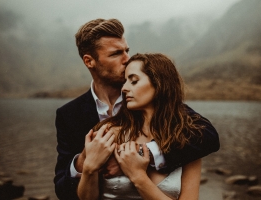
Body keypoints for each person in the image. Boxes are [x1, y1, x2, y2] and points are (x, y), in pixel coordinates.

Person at [54, 18, 219, 200]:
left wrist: (141, 154)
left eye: (127, 50)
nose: (127, 59)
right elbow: (63, 190)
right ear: (89, 61)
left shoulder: (150, 101)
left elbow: (208, 136)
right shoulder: (69, 115)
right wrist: (84, 162)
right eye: (116, 53)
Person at [78, 53, 212, 200]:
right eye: (125, 81)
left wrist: (138, 176)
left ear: (159, 83)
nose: (124, 88)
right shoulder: (110, 133)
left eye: (134, 81)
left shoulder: (188, 141)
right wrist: (89, 168)